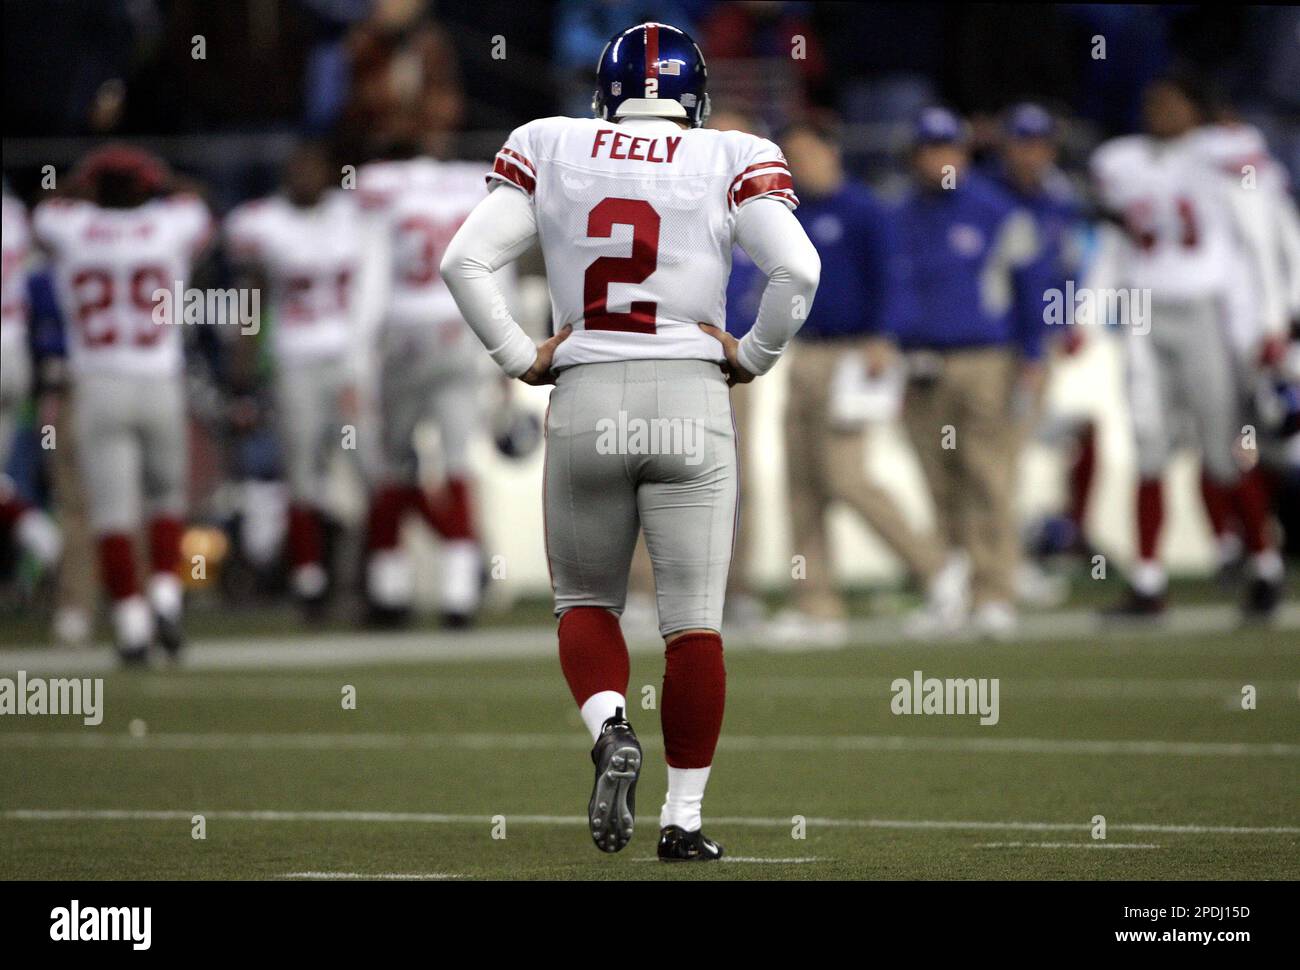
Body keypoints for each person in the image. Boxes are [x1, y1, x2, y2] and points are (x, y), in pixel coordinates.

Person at [441, 23, 819, 860]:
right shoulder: (733, 154)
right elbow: (800, 271)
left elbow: (463, 263)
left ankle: (611, 725)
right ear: (697, 98)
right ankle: (682, 823)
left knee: (585, 603)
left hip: (587, 391)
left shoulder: (551, 143)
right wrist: (752, 354)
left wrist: (519, 356)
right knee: (693, 628)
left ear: (606, 95)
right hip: (691, 394)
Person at [1091, 74, 1288, 618]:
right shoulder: (1121, 161)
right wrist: (1086, 312)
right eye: (1151, 101)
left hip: (1206, 314)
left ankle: (1265, 567)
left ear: (1197, 110)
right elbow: (1114, 243)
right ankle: (1149, 580)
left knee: (1225, 450)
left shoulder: (1221, 153)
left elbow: (1261, 226)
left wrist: (1272, 319)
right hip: (1143, 314)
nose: (1159, 110)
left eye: (1171, 102)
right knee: (1148, 445)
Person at [767, 118, 964, 643]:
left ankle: (936, 566)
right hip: (804, 352)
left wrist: (883, 336)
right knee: (801, 485)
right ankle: (817, 604)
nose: (799, 165)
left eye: (807, 153)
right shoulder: (790, 213)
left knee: (846, 476)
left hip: (854, 354)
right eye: (792, 156)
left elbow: (892, 277)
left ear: (832, 152)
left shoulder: (865, 210)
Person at [33, 145, 213, 662]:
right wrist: (163, 177)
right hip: (158, 380)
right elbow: (196, 202)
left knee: (111, 514)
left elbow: (46, 205)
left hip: (97, 384)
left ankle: (132, 627)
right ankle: (166, 599)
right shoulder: (170, 224)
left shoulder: (69, 227)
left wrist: (79, 183)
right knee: (167, 501)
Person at [890, 107, 1047, 639]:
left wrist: (1031, 356)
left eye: (948, 148)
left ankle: (995, 591)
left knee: (988, 477)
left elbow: (1032, 289)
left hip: (984, 361)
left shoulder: (997, 211)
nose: (940, 160)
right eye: (930, 150)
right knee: (939, 482)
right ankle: (952, 588)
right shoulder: (901, 215)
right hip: (919, 366)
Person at [357, 126, 494, 627]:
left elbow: (370, 277)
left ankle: (389, 590)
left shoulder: (380, 187)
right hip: (460, 329)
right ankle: (459, 592)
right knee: (459, 461)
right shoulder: (469, 181)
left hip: (404, 336)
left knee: (391, 462)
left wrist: (360, 355)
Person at [225, 141, 364, 618]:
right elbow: (252, 298)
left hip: (350, 361)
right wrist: (241, 373)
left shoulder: (352, 212)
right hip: (295, 363)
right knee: (302, 474)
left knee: (367, 467)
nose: (304, 175)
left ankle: (370, 576)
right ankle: (309, 581)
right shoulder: (263, 223)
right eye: (296, 167)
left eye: (313, 165)